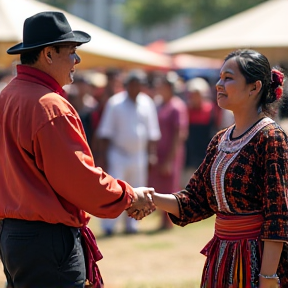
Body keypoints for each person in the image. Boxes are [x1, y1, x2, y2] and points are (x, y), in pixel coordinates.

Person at [0, 11, 154, 288]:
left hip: (13, 235)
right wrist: (130, 196)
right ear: (48, 54)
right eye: (71, 51)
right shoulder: (49, 105)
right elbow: (79, 180)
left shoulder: (7, 96)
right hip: (46, 239)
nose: (77, 59)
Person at [139, 49, 288, 288]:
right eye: (219, 77)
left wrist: (268, 277)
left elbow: (278, 214)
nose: (219, 84)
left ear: (254, 87)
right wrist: (149, 198)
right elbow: (193, 201)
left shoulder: (270, 137)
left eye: (228, 78)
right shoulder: (221, 139)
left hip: (256, 259)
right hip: (221, 255)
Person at [96, 69, 161, 235]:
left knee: (137, 190)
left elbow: (152, 132)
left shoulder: (147, 103)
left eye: (138, 85)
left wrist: (151, 154)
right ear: (127, 86)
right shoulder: (115, 103)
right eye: (132, 84)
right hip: (118, 154)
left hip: (139, 155)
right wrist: (103, 158)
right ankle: (109, 226)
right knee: (115, 192)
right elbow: (105, 132)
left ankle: (132, 225)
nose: (135, 88)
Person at [148, 72, 189, 230]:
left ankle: (169, 220)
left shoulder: (177, 106)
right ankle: (162, 219)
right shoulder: (158, 105)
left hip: (171, 153)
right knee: (159, 185)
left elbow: (180, 134)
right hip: (159, 152)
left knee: (170, 186)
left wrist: (170, 159)